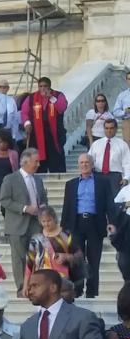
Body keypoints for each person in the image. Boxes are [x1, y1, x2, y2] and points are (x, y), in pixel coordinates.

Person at [62, 154, 115, 299]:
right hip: (76, 224)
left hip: (95, 224)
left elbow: (110, 204)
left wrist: (112, 222)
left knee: (93, 259)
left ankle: (91, 292)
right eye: (81, 162)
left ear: (92, 164)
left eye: (87, 162)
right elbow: (66, 207)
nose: (84, 165)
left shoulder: (102, 182)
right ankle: (77, 290)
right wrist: (62, 229)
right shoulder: (71, 184)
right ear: (78, 165)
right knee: (77, 260)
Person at [0, 147, 48, 297]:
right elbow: (4, 200)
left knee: (37, 256)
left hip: (36, 224)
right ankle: (22, 288)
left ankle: (35, 286)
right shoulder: (11, 179)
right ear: (25, 162)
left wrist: (44, 207)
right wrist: (25, 208)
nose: (38, 164)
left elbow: (43, 198)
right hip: (17, 225)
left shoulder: (38, 180)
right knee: (19, 258)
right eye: (36, 161)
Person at [26, 206, 84, 290]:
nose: (46, 224)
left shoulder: (65, 235)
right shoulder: (36, 238)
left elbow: (79, 256)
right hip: (42, 280)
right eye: (43, 221)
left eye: (49, 220)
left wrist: (66, 257)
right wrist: (26, 284)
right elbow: (29, 263)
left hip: (62, 279)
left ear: (54, 219)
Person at [22, 76, 69, 173]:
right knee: (38, 159)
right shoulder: (31, 98)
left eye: (45, 86)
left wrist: (51, 98)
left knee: (56, 160)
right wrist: (27, 123)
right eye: (41, 86)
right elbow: (24, 112)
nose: (43, 88)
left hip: (54, 133)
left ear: (50, 86)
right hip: (37, 134)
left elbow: (62, 108)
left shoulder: (58, 95)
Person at [89, 118, 130, 191]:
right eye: (106, 128)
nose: (109, 131)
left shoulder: (122, 145)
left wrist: (126, 178)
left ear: (116, 129)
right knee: (100, 201)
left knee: (115, 201)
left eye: (111, 128)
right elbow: (89, 160)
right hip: (99, 175)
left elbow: (127, 163)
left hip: (115, 176)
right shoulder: (96, 144)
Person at [115, 71, 130, 141]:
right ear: (126, 80)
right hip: (127, 122)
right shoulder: (122, 95)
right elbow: (115, 112)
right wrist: (124, 112)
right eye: (129, 79)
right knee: (128, 147)